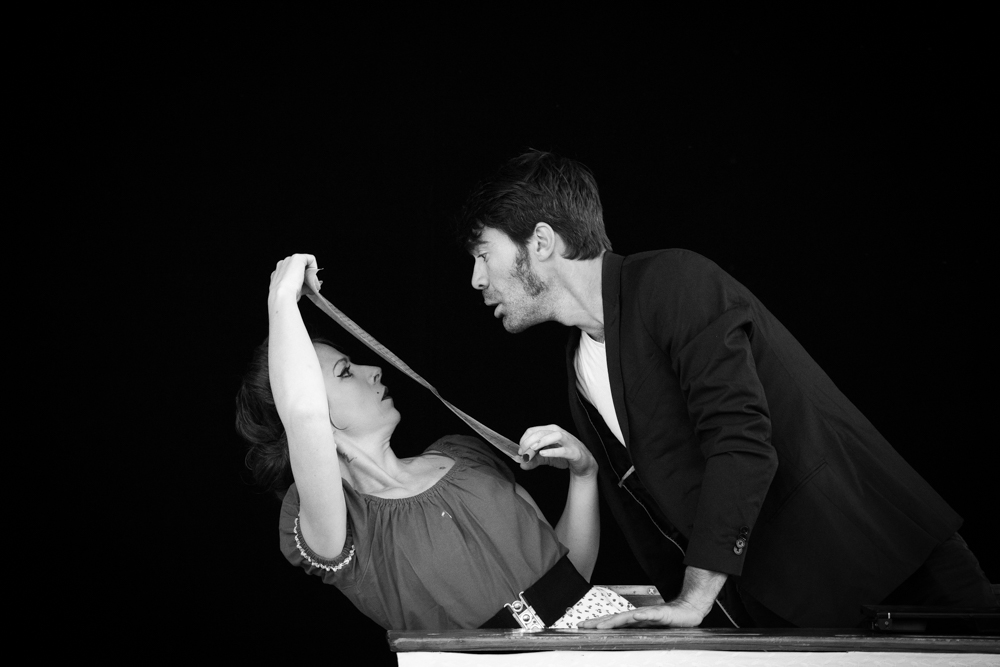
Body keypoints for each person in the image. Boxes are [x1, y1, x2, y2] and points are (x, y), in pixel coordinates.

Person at [457, 150, 996, 629]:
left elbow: (741, 442)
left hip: (889, 571)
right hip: (783, 616)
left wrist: (694, 599)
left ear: (541, 241)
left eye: (484, 254)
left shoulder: (671, 283)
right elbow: (658, 517)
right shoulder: (580, 368)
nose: (478, 279)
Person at [235, 253, 636, 632]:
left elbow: (571, 582)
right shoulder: (339, 528)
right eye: (344, 372)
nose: (372, 370)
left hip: (594, 645)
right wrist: (281, 297)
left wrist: (584, 475)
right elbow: (302, 414)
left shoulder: (463, 454)